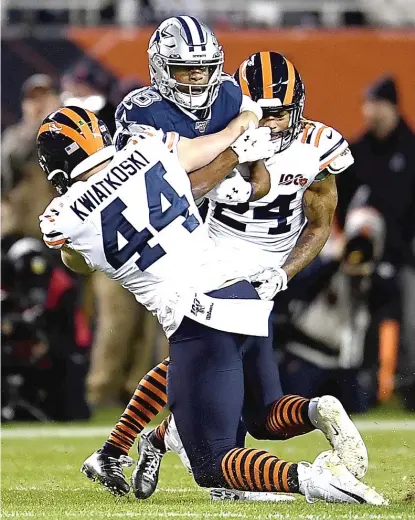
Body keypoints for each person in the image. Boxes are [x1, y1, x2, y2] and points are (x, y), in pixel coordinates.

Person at [38, 106, 385, 506]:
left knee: (211, 463)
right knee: (257, 412)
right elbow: (208, 158)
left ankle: (316, 479)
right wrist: (242, 131)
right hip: (242, 294)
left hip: (197, 314)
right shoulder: (146, 149)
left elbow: (75, 260)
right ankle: (140, 443)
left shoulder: (60, 218)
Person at [336, 75, 415, 406]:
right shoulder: (357, 153)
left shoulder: (411, 152)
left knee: (411, 321)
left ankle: (409, 387)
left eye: (376, 104)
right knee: (356, 322)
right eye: (367, 104)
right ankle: (358, 386)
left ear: (392, 107)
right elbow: (339, 201)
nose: (369, 111)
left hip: (407, 255)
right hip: (362, 258)